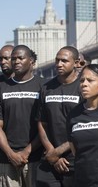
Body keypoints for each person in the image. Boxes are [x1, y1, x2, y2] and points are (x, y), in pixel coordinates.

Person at [36, 46, 82, 187]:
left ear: (76, 62)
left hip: (76, 159)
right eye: (57, 60)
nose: (59, 64)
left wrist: (58, 152)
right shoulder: (46, 88)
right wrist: (52, 154)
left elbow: (84, 126)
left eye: (64, 61)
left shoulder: (83, 87)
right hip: (50, 159)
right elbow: (42, 124)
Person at [0, 45, 45, 187]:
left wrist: (26, 152)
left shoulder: (44, 86)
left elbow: (46, 125)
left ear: (31, 61)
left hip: (35, 158)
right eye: (13, 59)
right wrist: (10, 154)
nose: (16, 61)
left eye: (21, 58)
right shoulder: (2, 87)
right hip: (7, 159)